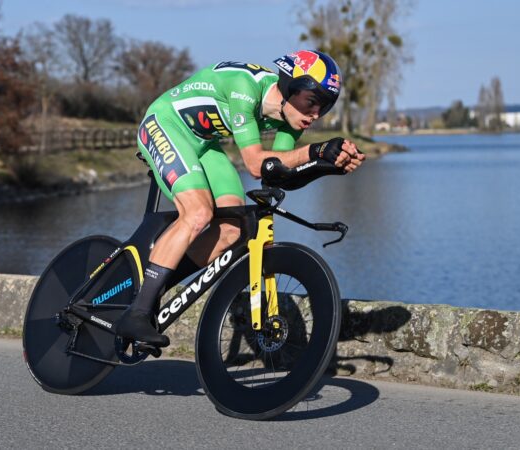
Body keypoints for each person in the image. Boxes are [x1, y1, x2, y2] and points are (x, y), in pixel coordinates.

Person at [117, 50, 366, 346]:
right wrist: (317, 150)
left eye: (323, 108)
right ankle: (137, 313)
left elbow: (275, 172)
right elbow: (254, 163)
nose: (315, 115)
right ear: (289, 87)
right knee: (198, 213)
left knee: (232, 230)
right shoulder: (245, 87)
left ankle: (156, 284)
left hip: (204, 143)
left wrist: (327, 166)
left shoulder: (290, 120)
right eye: (311, 102)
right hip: (165, 124)